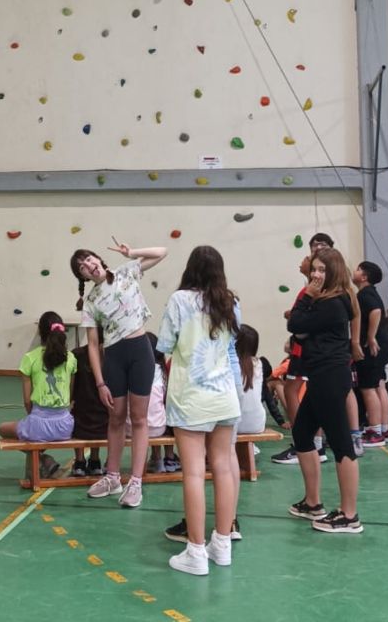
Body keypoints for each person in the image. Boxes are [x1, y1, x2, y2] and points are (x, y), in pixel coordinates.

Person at [158, 245, 240, 576]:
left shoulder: (179, 300)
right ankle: (222, 545)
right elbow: (232, 345)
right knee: (222, 467)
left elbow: (163, 345)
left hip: (191, 398)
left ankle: (195, 550)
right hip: (225, 397)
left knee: (193, 471)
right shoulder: (231, 302)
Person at [70, 238, 167, 508]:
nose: (88, 265)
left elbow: (162, 251)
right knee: (115, 418)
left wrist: (132, 252)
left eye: (89, 259)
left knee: (138, 418)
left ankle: (135, 481)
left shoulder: (126, 272)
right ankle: (112, 477)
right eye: (81, 267)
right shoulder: (91, 301)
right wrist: (100, 382)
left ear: (99, 259)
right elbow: (91, 344)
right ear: (83, 276)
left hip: (139, 349)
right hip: (113, 355)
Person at [286, 248, 363, 534]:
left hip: (329, 376)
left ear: (334, 272)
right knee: (303, 433)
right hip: (319, 375)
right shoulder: (331, 299)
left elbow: (295, 324)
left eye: (322, 270)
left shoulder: (333, 302)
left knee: (341, 442)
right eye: (314, 269)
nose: (316, 275)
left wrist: (306, 295)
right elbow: (300, 331)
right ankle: (313, 502)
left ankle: (349, 514)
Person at [272, 232, 333, 465]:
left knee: (295, 391)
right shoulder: (313, 289)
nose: (305, 261)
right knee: (301, 392)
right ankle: (314, 445)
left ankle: (305, 444)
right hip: (306, 346)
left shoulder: (316, 290)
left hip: (308, 348)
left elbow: (303, 322)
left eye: (316, 261)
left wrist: (296, 324)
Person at [0, 311, 76, 480]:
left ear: (40, 332)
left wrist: (36, 419)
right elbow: (71, 395)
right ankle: (41, 462)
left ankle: (44, 460)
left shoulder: (30, 358)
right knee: (35, 436)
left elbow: (27, 401)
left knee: (3, 429)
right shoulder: (70, 358)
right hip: (65, 426)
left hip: (38, 424)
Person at [352, 261, 388, 448]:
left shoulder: (365, 294)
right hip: (382, 346)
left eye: (358, 269)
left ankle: (374, 431)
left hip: (372, 347)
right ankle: (384, 428)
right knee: (379, 386)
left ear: (364, 277)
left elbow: (375, 311)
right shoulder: (370, 292)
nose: (355, 271)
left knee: (368, 388)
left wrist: (370, 336)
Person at [125, 333, 168, 472]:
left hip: (132, 427)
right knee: (156, 413)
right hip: (158, 427)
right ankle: (158, 458)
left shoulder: (132, 368)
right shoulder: (161, 370)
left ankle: (140, 465)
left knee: (139, 421)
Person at [70, 327, 108, 477]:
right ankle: (95, 460)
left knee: (77, 414)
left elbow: (71, 389)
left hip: (81, 418)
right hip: (103, 420)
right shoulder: (110, 356)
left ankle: (79, 461)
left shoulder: (77, 355)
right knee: (100, 412)